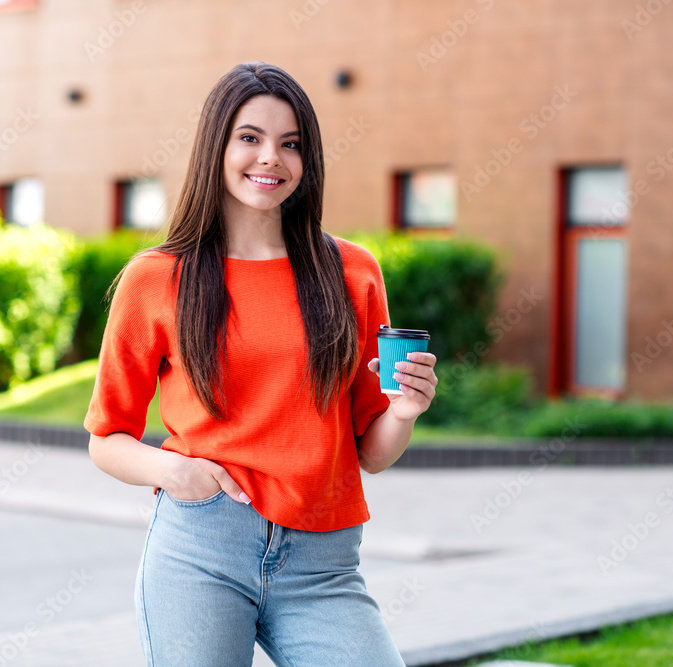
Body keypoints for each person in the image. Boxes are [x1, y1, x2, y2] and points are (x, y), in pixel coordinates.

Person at [84, 61, 439, 666]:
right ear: (216, 147)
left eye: (291, 144)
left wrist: (404, 411)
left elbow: (372, 454)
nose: (270, 158)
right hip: (202, 547)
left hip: (322, 562)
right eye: (249, 138)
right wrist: (178, 476)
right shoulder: (157, 278)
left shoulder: (351, 274)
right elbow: (107, 439)